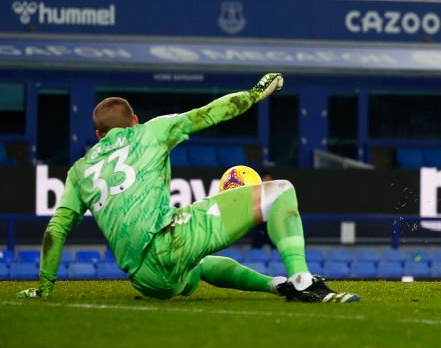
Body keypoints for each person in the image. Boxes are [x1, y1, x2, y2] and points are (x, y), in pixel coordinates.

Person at [16, 74, 359, 303]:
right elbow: (210, 113)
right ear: (134, 121)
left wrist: (45, 287)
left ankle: (276, 284)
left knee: (200, 264)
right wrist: (253, 95)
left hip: (147, 280)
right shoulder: (151, 130)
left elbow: (55, 231)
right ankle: (301, 280)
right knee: (280, 190)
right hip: (169, 242)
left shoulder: (79, 171)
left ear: (97, 136)